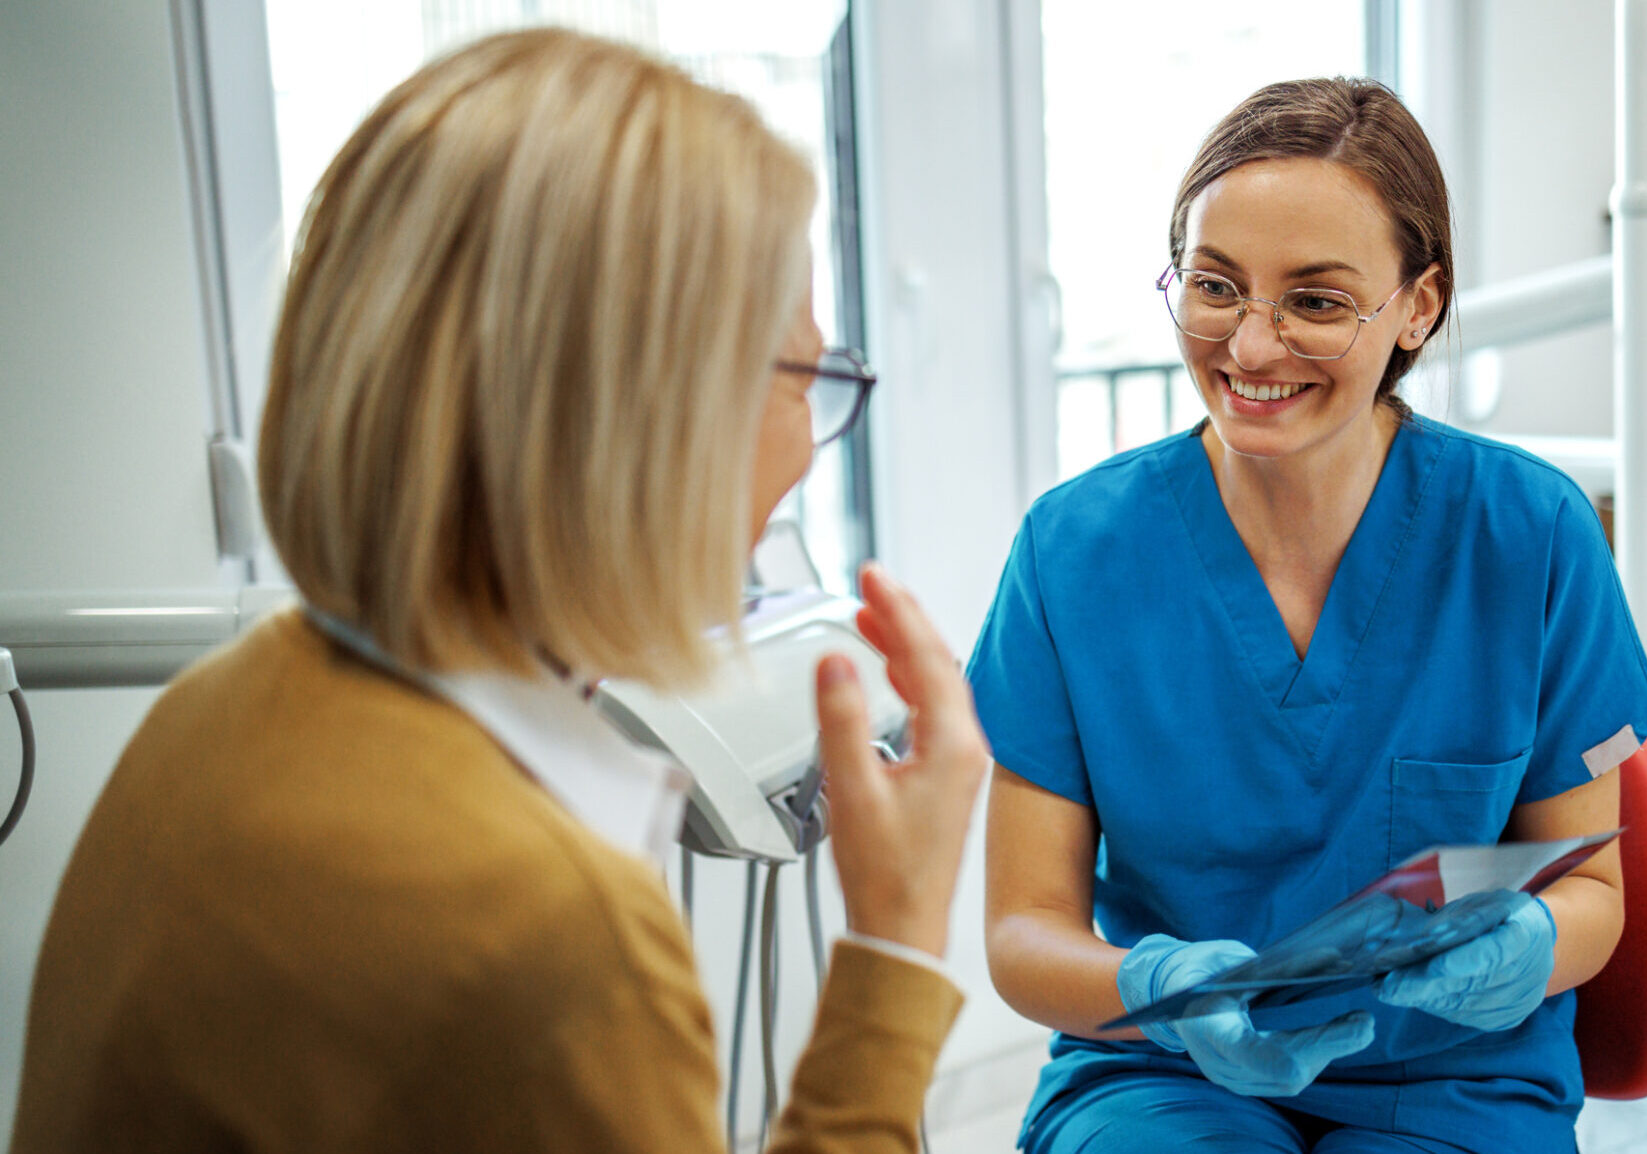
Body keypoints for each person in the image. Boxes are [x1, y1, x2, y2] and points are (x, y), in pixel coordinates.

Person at [11, 28, 988, 1154]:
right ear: (634, 421)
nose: (810, 444)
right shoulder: (550, 932)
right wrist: (897, 947)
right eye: (802, 375)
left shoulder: (212, 712)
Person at [970, 78, 1647, 1153]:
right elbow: (1023, 934)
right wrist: (1152, 981)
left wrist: (1530, 940)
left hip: (1452, 1083)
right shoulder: (1073, 552)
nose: (1250, 347)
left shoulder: (1527, 534)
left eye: (1314, 300)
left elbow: (1590, 889)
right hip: (1159, 1070)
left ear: (1418, 305)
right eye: (1214, 286)